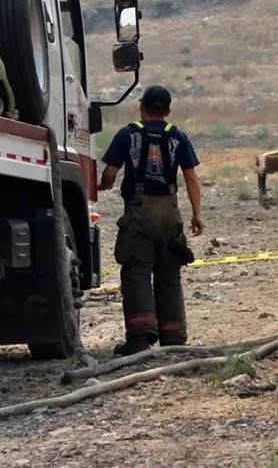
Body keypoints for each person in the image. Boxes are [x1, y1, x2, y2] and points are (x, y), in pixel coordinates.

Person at [98, 85, 204, 356]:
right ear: (168, 111)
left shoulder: (127, 135)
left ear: (141, 107)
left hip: (139, 211)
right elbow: (191, 178)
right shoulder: (178, 137)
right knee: (169, 273)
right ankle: (173, 337)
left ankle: (140, 337)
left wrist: (102, 185)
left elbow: (110, 174)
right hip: (169, 212)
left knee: (137, 272)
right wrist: (196, 214)